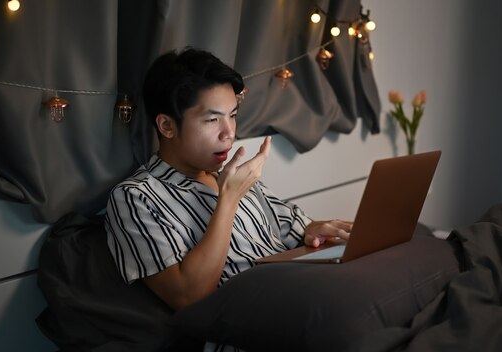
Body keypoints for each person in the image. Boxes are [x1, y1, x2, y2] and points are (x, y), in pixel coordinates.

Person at [104, 47, 352, 313]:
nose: (229, 134)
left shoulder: (231, 176)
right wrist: (229, 199)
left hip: (303, 292)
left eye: (232, 116)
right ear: (167, 126)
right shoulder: (134, 197)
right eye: (212, 120)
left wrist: (314, 231)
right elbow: (189, 296)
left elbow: (298, 230)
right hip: (251, 323)